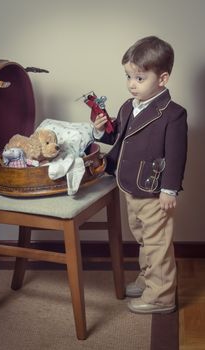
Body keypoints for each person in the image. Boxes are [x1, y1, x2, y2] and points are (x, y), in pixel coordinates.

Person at [92, 36, 188, 314]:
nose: (132, 83)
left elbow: (177, 155)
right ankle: (149, 278)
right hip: (129, 186)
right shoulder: (128, 106)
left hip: (154, 190)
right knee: (143, 238)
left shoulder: (173, 114)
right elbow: (119, 137)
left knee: (157, 242)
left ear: (163, 78)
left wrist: (170, 190)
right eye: (128, 76)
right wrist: (101, 130)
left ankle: (161, 296)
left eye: (139, 77)